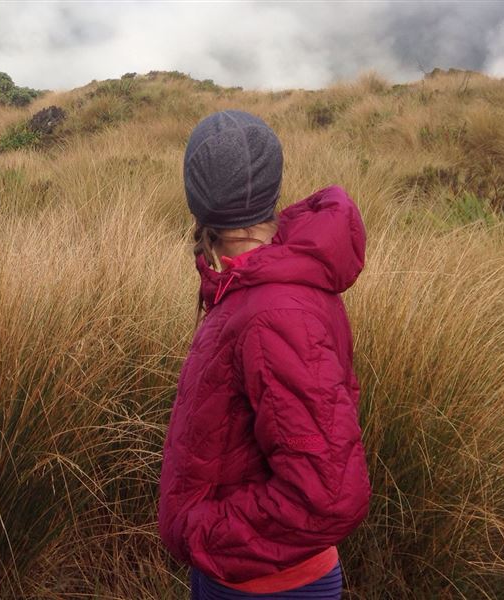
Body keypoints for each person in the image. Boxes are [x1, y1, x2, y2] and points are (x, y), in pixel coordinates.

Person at [158, 110, 372, 599]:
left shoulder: (272, 311)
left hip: (270, 585)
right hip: (244, 575)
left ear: (199, 202)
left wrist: (203, 530)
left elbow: (327, 495)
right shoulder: (254, 283)